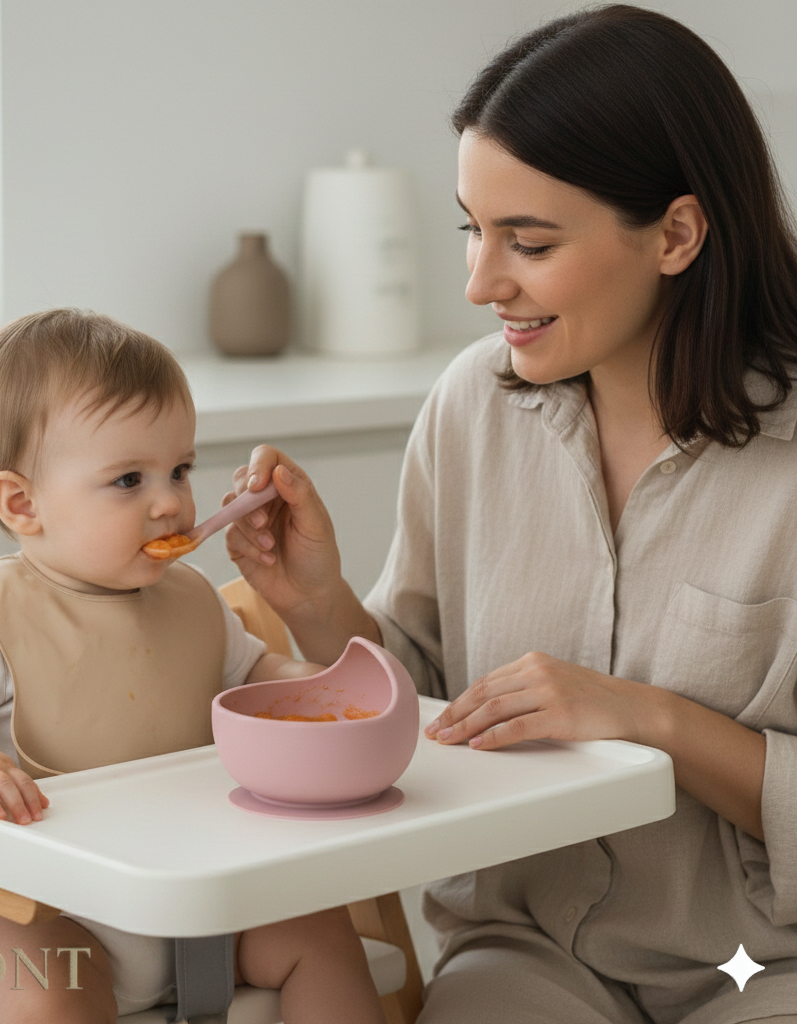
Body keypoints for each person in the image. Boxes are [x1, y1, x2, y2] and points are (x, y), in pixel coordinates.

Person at [225, 6, 797, 1024]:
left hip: (762, 968)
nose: (481, 282)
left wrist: (648, 719)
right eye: (472, 229)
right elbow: (431, 709)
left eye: (526, 242)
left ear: (675, 233)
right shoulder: (471, 404)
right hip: (532, 947)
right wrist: (319, 608)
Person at [0, 309, 386, 1024]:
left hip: (204, 899)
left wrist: (331, 691)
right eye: (128, 480)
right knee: (45, 986)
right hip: (43, 915)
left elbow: (259, 679)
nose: (171, 501)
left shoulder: (195, 599)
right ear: (22, 503)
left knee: (322, 932)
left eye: (179, 469)